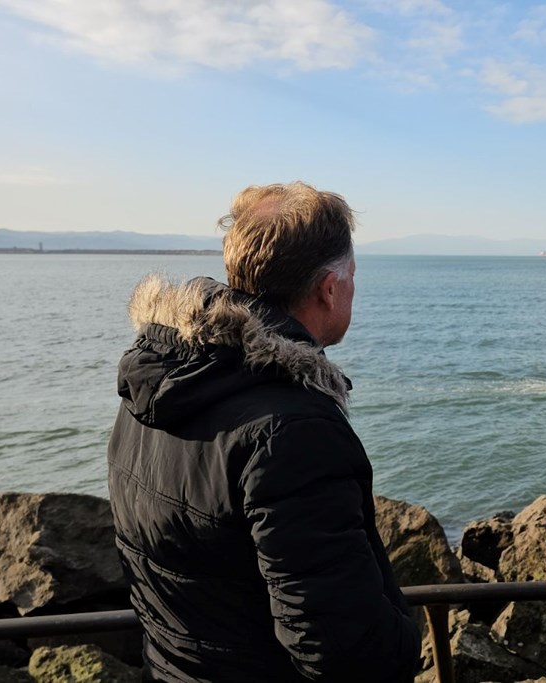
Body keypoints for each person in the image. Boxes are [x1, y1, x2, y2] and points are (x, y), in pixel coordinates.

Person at [106, 182, 420, 682]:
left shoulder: (150, 387)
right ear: (330, 288)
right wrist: (410, 634)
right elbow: (343, 647)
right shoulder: (294, 432)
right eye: (353, 275)